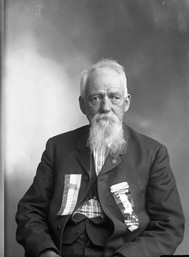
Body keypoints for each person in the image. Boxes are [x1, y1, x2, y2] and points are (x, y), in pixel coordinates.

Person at [15, 59, 185, 257]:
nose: (106, 107)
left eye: (114, 98)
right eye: (96, 98)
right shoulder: (57, 147)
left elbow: (169, 226)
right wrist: (46, 251)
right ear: (82, 104)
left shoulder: (153, 153)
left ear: (126, 102)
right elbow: (29, 211)